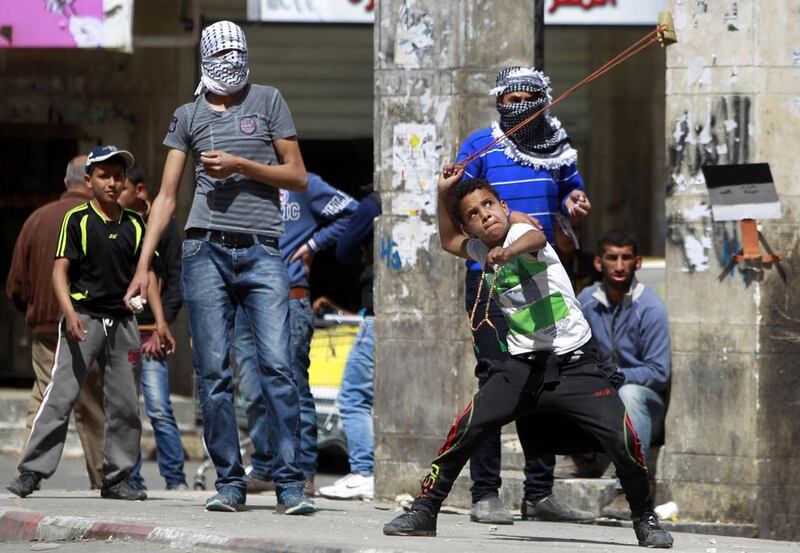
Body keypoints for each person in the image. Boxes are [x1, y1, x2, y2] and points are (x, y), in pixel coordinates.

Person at [382, 168, 674, 549]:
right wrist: (442, 194)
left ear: (504, 207)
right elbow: (448, 239)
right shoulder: (479, 248)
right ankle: (426, 508)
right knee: (468, 426)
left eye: (488, 205)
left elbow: (536, 236)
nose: (484, 214)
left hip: (576, 363)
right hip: (522, 366)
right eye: (473, 213)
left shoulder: (522, 235)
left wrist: (509, 250)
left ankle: (644, 517)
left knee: (622, 439)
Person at [124, 21, 313, 514]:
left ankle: (289, 482)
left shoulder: (269, 100)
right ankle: (229, 482)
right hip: (203, 250)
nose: (230, 61)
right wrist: (143, 266)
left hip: (263, 251)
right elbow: (165, 198)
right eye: (221, 54)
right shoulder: (187, 114)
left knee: (277, 366)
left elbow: (297, 176)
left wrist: (241, 165)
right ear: (206, 60)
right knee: (212, 374)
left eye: (237, 52)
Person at [456, 65, 593, 524]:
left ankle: (539, 493)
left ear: (542, 100)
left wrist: (575, 204)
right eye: (507, 98)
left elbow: (573, 196)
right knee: (497, 379)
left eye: (523, 98)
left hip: (542, 278)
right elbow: (461, 203)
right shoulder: (480, 144)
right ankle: (485, 493)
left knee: (543, 380)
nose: (514, 106)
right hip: (493, 278)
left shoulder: (559, 148)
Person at [6, 146, 175, 501]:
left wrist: (160, 322)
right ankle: (32, 471)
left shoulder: (133, 224)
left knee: (126, 403)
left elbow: (148, 276)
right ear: (89, 181)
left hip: (124, 322)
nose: (113, 183)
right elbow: (59, 271)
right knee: (60, 395)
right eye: (104, 176)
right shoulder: (78, 219)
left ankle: (116, 477)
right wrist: (69, 314)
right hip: (84, 319)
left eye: (118, 176)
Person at [233, 172, 358, 495]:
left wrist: (312, 246)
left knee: (292, 386)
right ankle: (264, 467)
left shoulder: (302, 182)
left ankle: (302, 471)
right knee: (252, 388)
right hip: (244, 301)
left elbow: (351, 210)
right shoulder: (241, 180)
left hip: (290, 298)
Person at [6, 155, 106, 490]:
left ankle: (28, 473)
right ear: (89, 182)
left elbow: (16, 282)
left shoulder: (37, 219)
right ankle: (104, 476)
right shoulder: (98, 219)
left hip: (47, 325)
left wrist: (33, 311)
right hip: (87, 324)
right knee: (91, 402)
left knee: (45, 395)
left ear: (66, 182)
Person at [578, 231, 671, 519]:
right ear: (598, 263)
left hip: (645, 404)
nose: (619, 266)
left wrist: (614, 375)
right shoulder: (586, 301)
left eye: (626, 258)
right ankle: (580, 456)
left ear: (637, 263)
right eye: (612, 258)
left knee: (628, 393)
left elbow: (659, 373)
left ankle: (626, 491)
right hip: (603, 398)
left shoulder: (650, 308)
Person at [118, 165, 187, 491]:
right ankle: (130, 479)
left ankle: (176, 481)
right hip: (122, 334)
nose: (116, 193)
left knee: (159, 410)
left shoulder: (165, 229)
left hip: (152, 333)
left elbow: (171, 279)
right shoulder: (117, 224)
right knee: (125, 409)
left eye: (122, 188)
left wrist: (163, 326)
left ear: (139, 190)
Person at [317, 189, 380, 500]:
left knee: (354, 396)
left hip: (377, 315)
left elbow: (342, 248)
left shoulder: (373, 204)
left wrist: (362, 252)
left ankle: (364, 472)